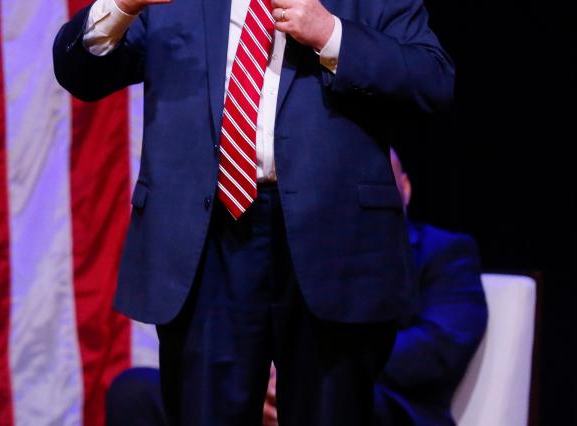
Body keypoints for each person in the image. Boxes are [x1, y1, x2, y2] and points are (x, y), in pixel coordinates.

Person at [54, 0, 454, 425]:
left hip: (333, 246)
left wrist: (331, 34)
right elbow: (77, 74)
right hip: (208, 240)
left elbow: (432, 81)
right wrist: (119, 3)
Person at [107, 153, 488, 426]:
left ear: (403, 188)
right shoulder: (304, 242)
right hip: (265, 384)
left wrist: (305, 368)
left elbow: (439, 347)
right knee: (137, 391)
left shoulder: (446, 252)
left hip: (381, 399)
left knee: (327, 398)